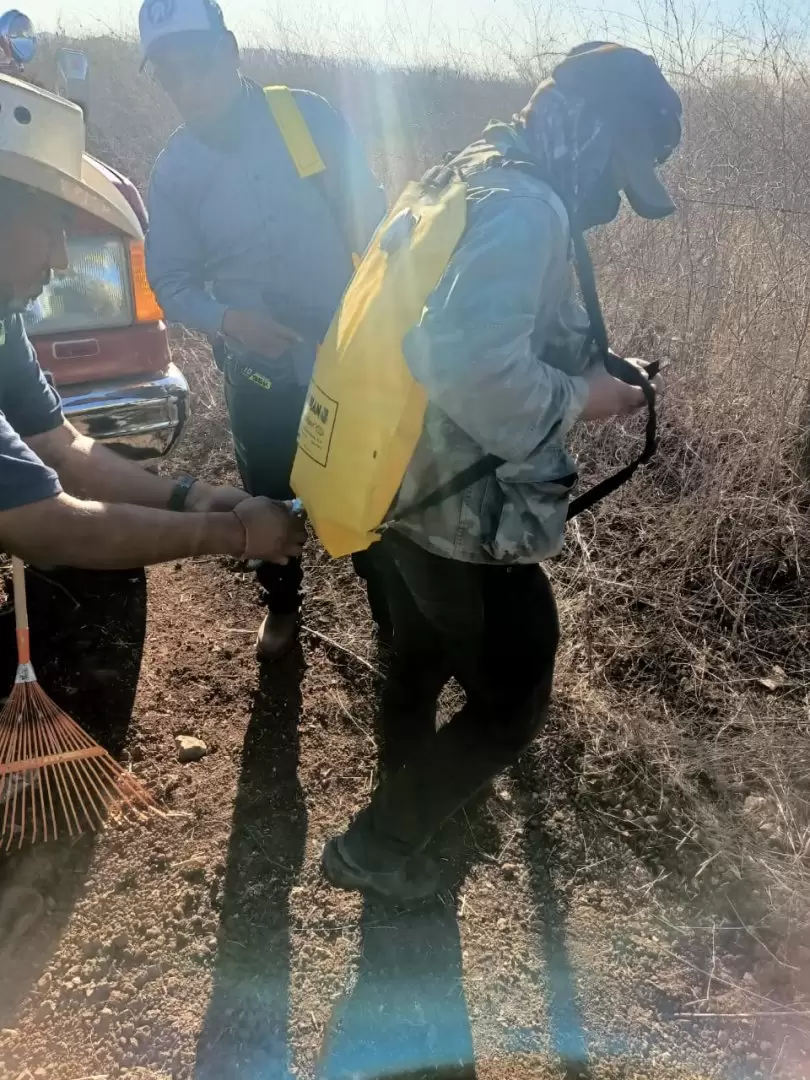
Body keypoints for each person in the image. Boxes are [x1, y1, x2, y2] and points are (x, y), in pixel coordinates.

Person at [321, 43, 681, 901]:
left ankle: (404, 804)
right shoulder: (528, 208)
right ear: (586, 129)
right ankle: (376, 847)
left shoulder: (471, 170)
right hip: (464, 514)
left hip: (398, 486)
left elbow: (463, 322)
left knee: (418, 659)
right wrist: (588, 400)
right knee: (513, 702)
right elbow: (467, 363)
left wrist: (593, 365)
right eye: (615, 174)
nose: (610, 204)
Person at [141, 0, 389, 661]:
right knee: (270, 499)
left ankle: (391, 618)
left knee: (368, 495)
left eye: (196, 64)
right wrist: (230, 320)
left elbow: (373, 218)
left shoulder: (306, 118)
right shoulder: (176, 170)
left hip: (345, 358)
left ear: (230, 50)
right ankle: (282, 608)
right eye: (169, 75)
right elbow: (171, 280)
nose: (187, 87)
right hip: (258, 371)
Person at [0, 75, 304, 573]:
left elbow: (61, 444)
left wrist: (191, 497)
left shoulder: (3, 320)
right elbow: (46, 525)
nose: (59, 261)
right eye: (48, 231)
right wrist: (235, 533)